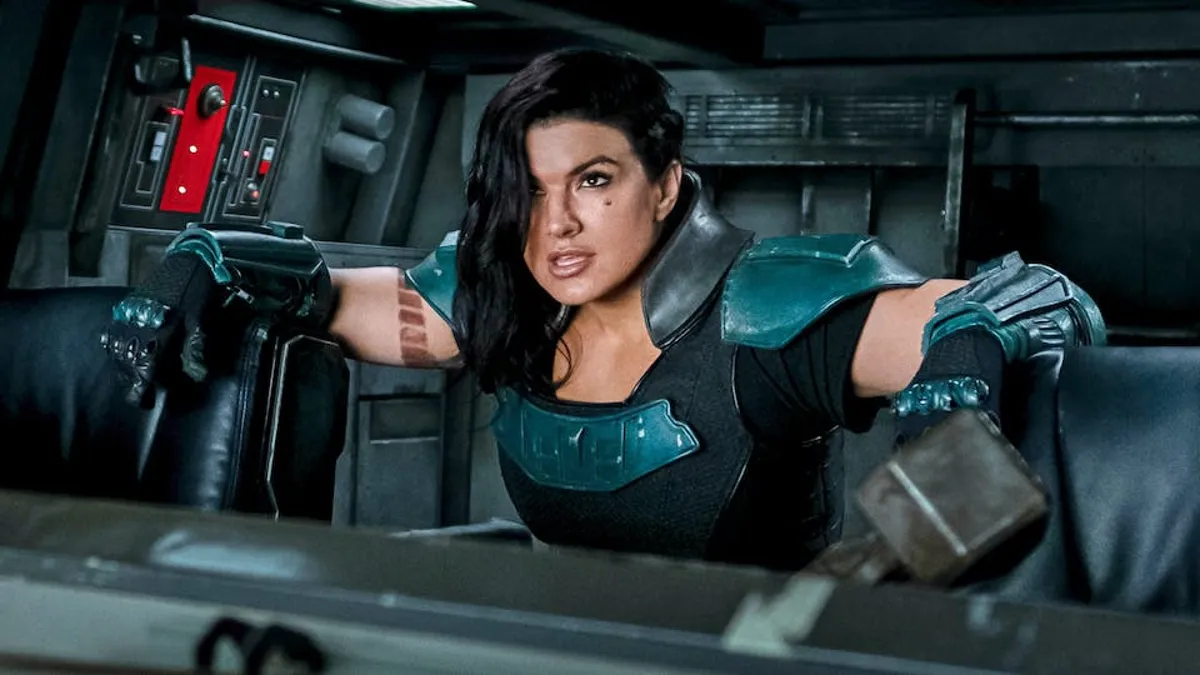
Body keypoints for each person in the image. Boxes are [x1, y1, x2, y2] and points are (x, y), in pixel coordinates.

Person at [100, 48, 1106, 571]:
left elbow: (1029, 302)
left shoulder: (773, 310)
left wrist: (969, 347)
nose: (558, 226)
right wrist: (212, 259)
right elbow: (329, 295)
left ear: (664, 184)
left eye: (593, 181)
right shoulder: (500, 302)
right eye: (531, 190)